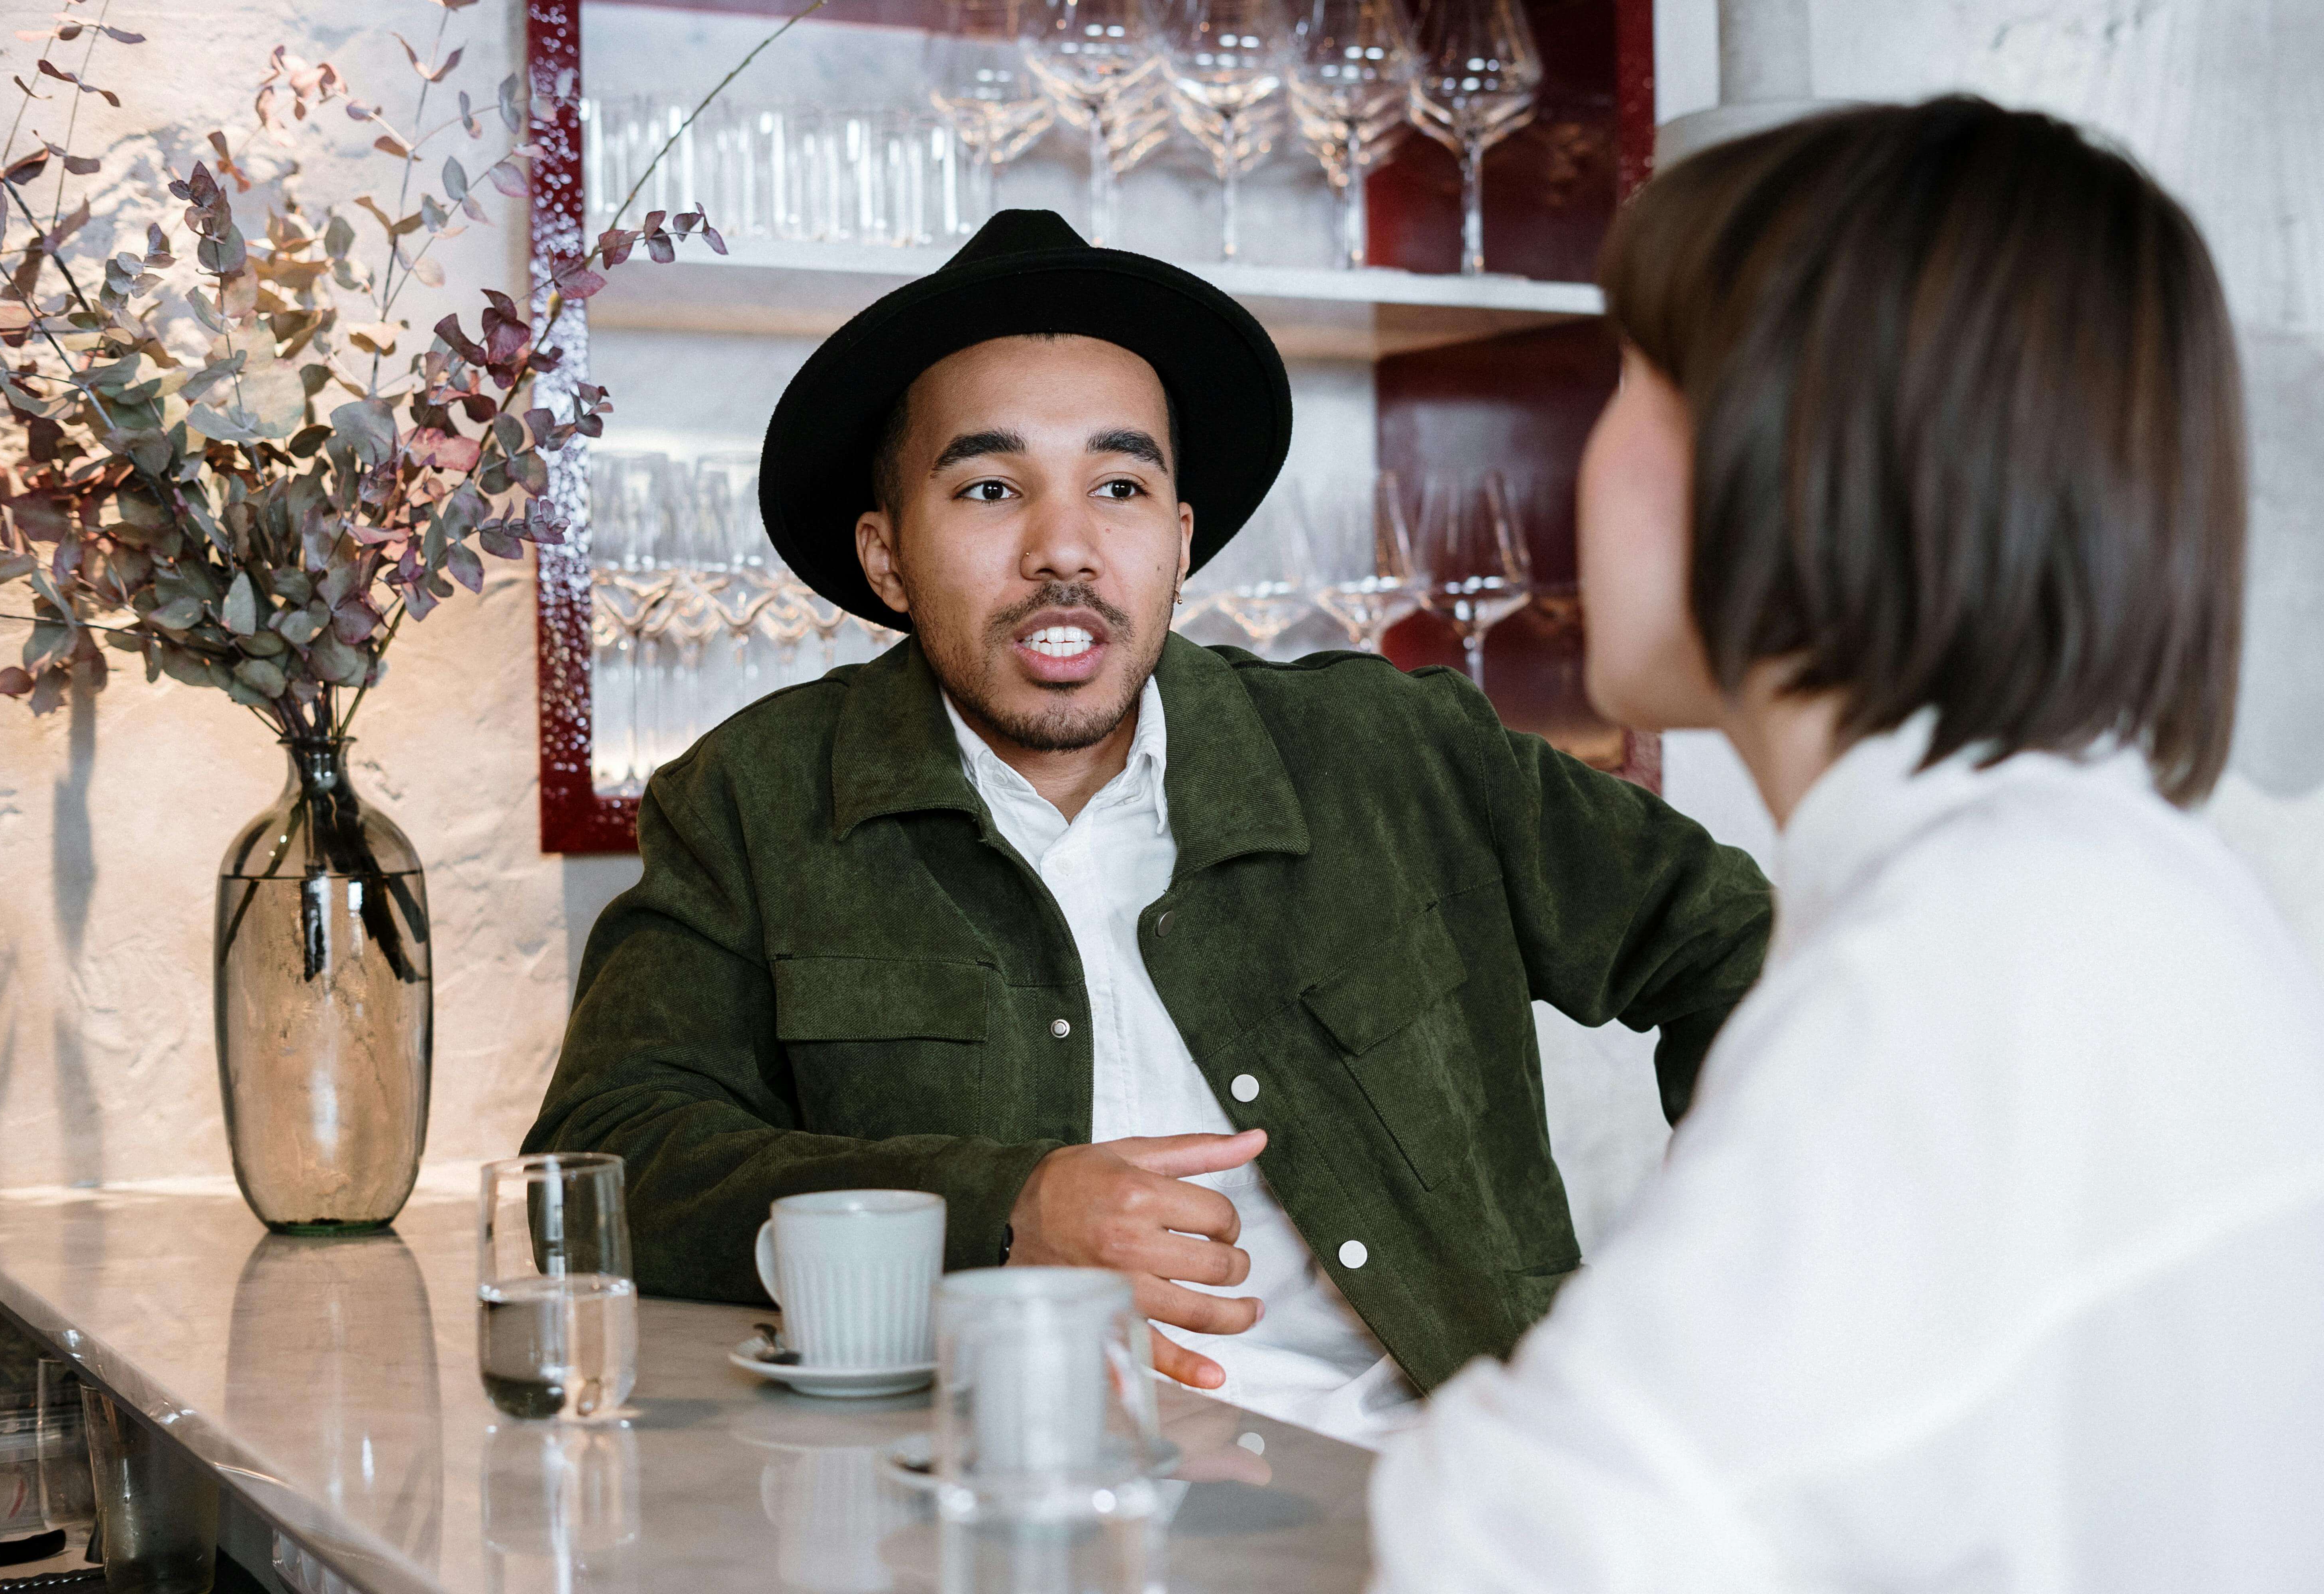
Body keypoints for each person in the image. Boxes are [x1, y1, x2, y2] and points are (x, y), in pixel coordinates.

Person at [524, 209, 1772, 1447]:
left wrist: (1722, 1280)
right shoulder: (755, 800)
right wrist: (1002, 1209)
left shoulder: (1402, 754)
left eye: (1120, 486)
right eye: (991, 487)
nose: (1063, 551)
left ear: (1179, 542)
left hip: (1440, 1501)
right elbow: (610, 1167)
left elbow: (1745, 949)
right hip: (994, 1495)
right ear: (888, 556)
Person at [1371, 97, 2324, 1587]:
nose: (1585, 447)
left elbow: (1529, 1549)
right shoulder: (2097, 885)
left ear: (1788, 443)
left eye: (1634, 376)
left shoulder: (1972, 962)